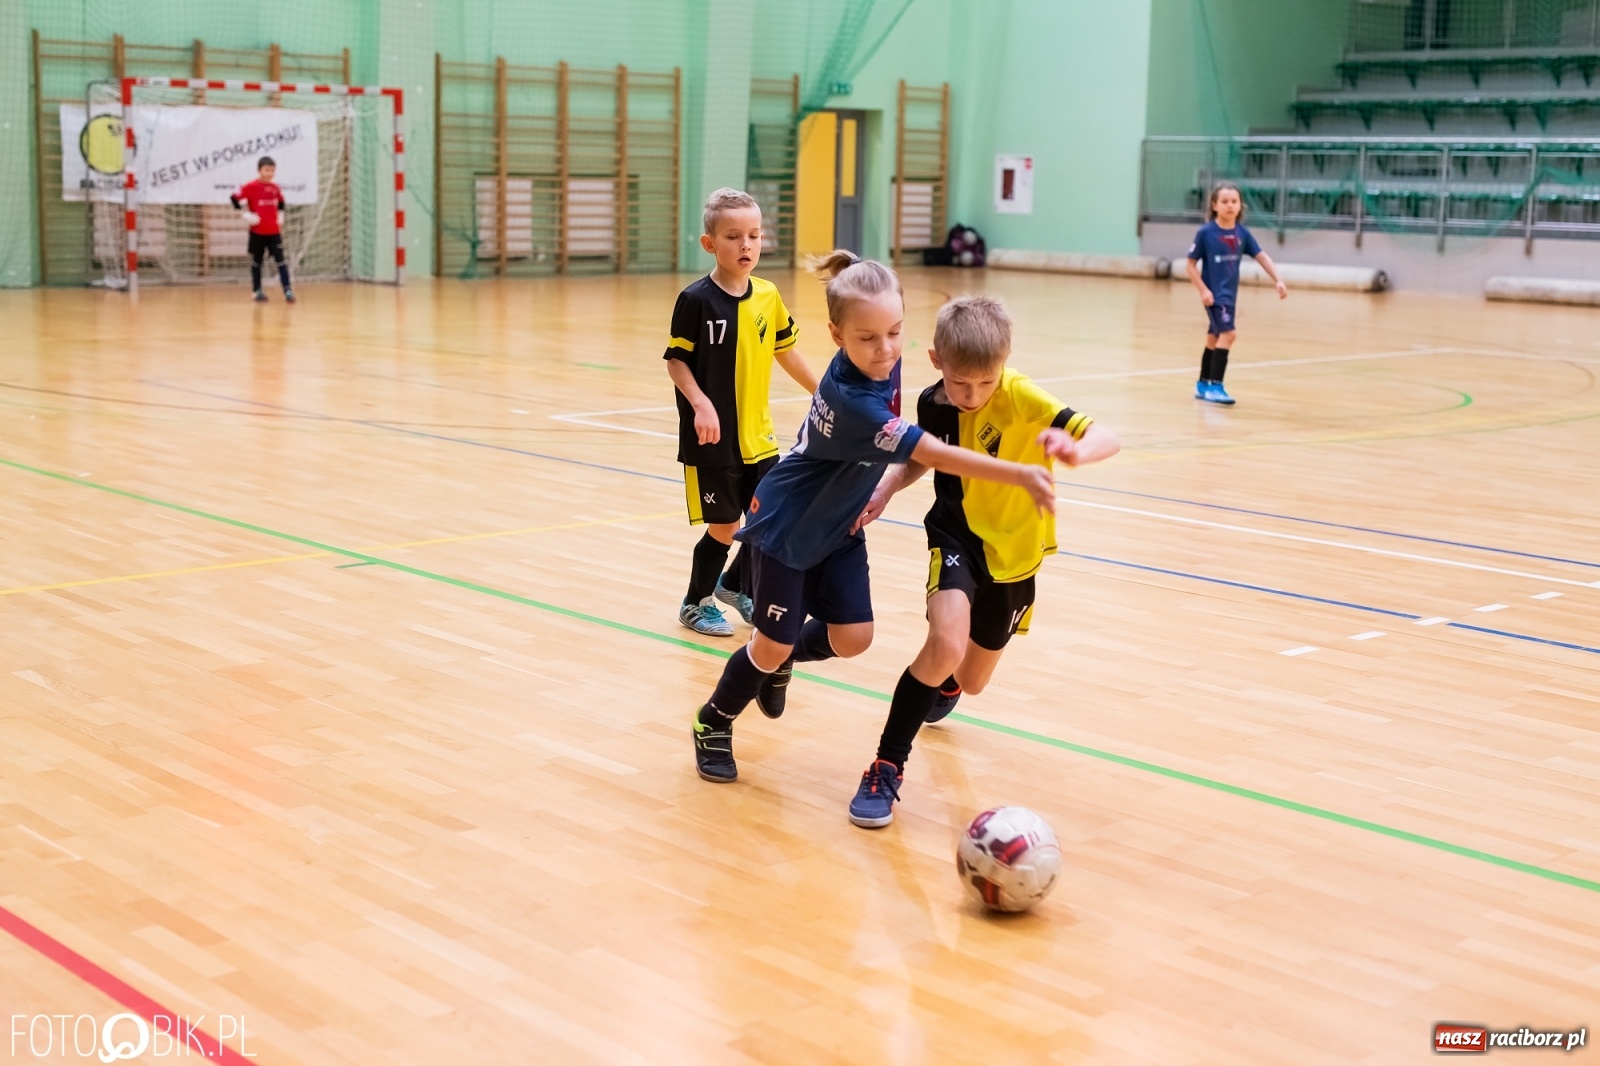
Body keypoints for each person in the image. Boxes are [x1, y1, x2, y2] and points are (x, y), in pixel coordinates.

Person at [691, 254, 1059, 785]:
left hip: (840, 526)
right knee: (766, 645)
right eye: (868, 338)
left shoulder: (882, 358)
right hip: (789, 528)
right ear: (837, 335)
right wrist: (1016, 474)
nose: (885, 349)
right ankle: (714, 721)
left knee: (854, 637)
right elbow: (931, 451)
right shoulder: (853, 402)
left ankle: (782, 655)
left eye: (895, 332)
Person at [844, 295, 1121, 827]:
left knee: (970, 680)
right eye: (960, 383)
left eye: (985, 383)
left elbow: (1107, 436)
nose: (972, 396)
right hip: (955, 535)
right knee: (944, 642)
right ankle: (885, 766)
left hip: (1015, 557)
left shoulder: (1019, 395)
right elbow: (923, 460)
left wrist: (1076, 451)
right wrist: (886, 488)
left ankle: (946, 685)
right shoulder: (931, 402)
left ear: (1006, 362)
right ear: (936, 360)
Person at [666, 188, 818, 637]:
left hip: (759, 436)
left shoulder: (768, 296)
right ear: (710, 243)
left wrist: (825, 392)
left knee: (770, 519)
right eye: (733, 236)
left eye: (753, 235)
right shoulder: (695, 300)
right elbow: (676, 360)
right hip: (713, 439)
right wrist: (701, 404)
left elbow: (786, 351)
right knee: (725, 526)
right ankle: (695, 602)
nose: (746, 245)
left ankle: (733, 585)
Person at [1185, 182, 1286, 405]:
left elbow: (1261, 256)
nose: (1230, 206)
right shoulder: (1206, 233)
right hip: (1215, 296)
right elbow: (1190, 265)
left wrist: (1277, 279)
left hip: (1230, 295)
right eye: (1224, 201)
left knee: (1214, 337)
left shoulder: (1242, 233)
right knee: (1229, 335)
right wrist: (1203, 290)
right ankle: (1215, 386)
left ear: (1240, 206)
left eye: (1234, 201)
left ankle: (1202, 383)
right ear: (1214, 205)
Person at [231, 157, 294, 303]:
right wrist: (245, 214)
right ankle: (257, 290)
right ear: (259, 170)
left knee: (281, 261)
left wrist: (280, 215)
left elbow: (281, 202)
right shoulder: (251, 186)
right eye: (267, 170)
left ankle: (288, 290)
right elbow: (234, 198)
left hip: (274, 232)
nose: (270, 173)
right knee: (257, 261)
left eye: (272, 170)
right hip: (257, 232)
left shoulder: (274, 187)